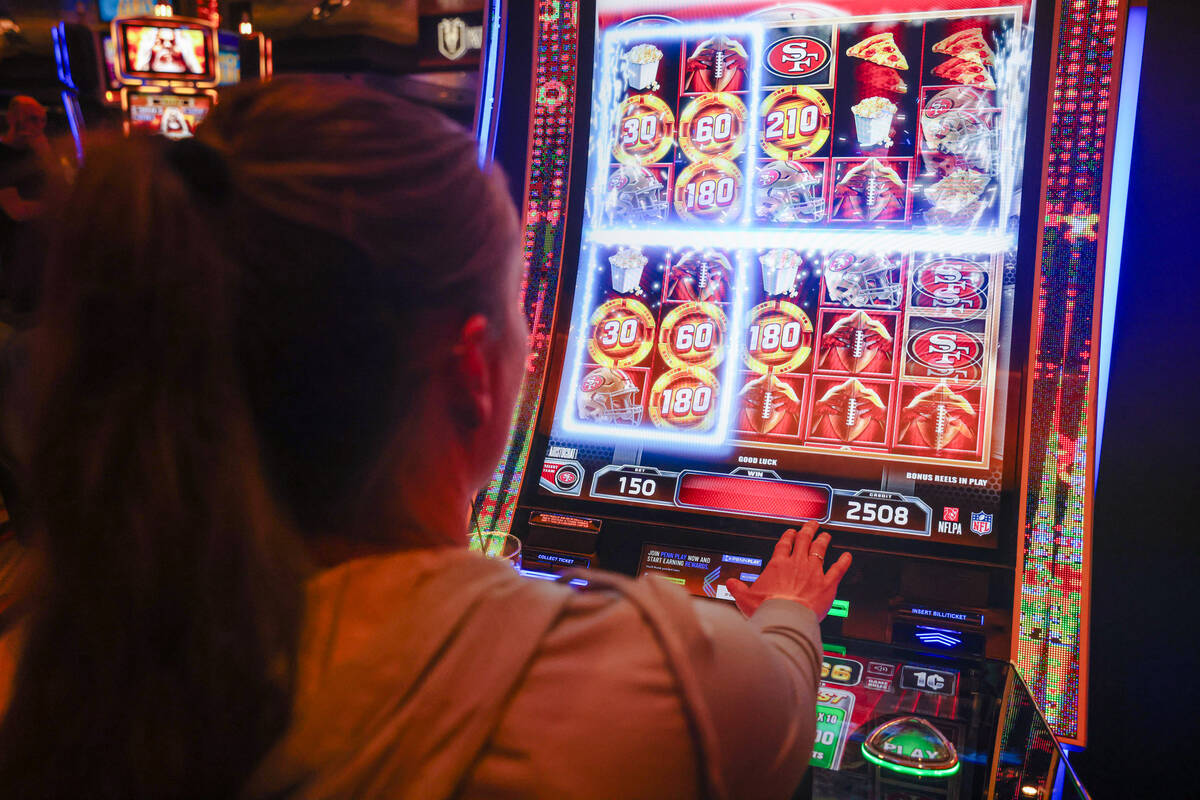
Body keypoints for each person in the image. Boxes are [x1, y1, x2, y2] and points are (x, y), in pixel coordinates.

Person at [0, 78, 851, 799]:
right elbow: (781, 699)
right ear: (475, 369)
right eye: (525, 295)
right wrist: (789, 608)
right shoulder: (650, 681)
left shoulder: (58, 639)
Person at [0, 95, 60, 320]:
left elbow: (66, 189)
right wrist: (55, 206)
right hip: (17, 262)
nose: (39, 126)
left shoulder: (43, 151)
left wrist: (46, 156)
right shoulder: (3, 155)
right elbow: (17, 211)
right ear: (12, 119)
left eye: (42, 120)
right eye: (32, 119)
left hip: (48, 258)